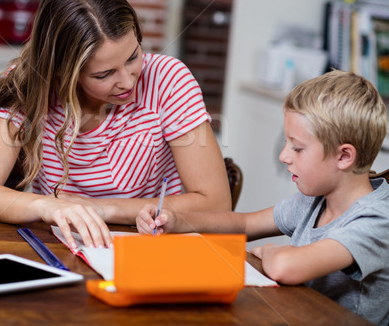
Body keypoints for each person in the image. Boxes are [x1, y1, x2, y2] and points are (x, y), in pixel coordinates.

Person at [0, 0, 231, 250]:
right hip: (58, 249)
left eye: (133, 57)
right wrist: (47, 207)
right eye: (104, 74)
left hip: (148, 251)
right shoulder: (29, 85)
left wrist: (102, 209)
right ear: (63, 72)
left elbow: (217, 205)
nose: (127, 82)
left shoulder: (168, 80)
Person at [136, 70, 389, 325]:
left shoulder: (375, 221)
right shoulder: (317, 199)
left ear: (344, 156)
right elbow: (243, 224)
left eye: (297, 148)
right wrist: (178, 222)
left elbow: (285, 267)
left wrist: (270, 251)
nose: (284, 156)